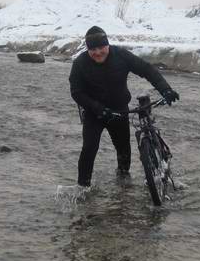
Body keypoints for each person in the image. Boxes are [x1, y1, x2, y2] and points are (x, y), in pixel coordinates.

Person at [69, 26, 179, 188]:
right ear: (88, 49)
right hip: (94, 112)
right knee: (89, 149)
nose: (98, 52)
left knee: (123, 151)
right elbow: (76, 92)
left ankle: (123, 188)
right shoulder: (80, 63)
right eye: (93, 49)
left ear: (107, 45)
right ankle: (83, 189)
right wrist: (97, 108)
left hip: (119, 110)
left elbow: (146, 69)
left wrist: (165, 89)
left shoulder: (120, 55)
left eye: (101, 47)